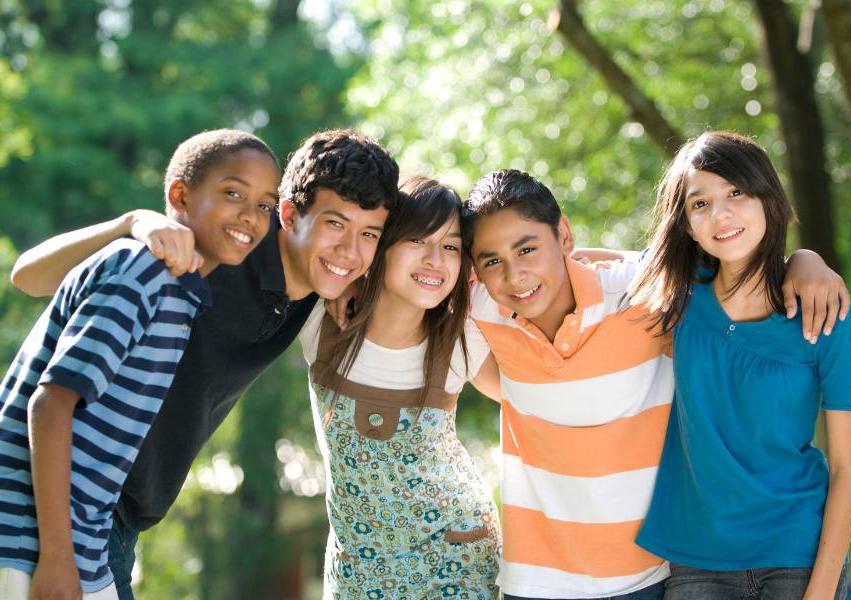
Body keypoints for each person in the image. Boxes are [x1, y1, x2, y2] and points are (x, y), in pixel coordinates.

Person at [8, 129, 399, 598]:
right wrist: (129, 222)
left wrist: (354, 276)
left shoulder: (321, 285)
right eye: (335, 225)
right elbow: (28, 278)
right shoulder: (206, 251)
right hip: (58, 503)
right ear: (289, 214)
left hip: (117, 518)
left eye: (368, 235)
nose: (349, 249)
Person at [459, 168, 850, 600]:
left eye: (528, 249)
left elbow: (733, 262)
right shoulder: (481, 310)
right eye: (492, 261)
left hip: (646, 576)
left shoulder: (644, 293)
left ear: (563, 236)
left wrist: (804, 260)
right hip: (535, 581)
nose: (515, 276)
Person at [0, 129, 282, 599]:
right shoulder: (143, 270)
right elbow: (50, 405)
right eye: (233, 193)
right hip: (27, 541)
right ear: (180, 195)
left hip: (84, 546)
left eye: (265, 205)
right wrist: (55, 558)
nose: (250, 217)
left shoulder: (183, 291)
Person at [629, 131, 851, 600]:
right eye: (700, 204)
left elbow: (847, 467)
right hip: (697, 559)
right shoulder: (676, 297)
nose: (721, 214)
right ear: (687, 225)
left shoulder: (824, 310)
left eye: (736, 192)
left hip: (796, 553)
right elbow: (582, 270)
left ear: (767, 198)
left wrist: (819, 591)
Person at [300, 176, 502, 599]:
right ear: (383, 244)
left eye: (450, 246)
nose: (435, 260)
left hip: (456, 558)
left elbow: (538, 395)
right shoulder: (320, 322)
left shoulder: (463, 338)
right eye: (418, 240)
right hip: (358, 567)